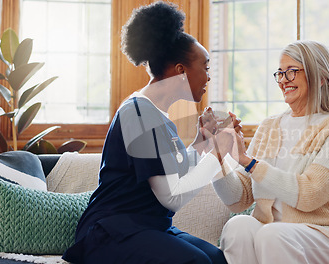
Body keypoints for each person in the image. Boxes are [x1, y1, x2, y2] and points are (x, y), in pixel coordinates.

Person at [62, 2, 233, 263]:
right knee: (197, 262)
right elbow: (171, 197)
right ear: (180, 71)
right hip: (112, 232)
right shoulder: (138, 113)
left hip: (148, 228)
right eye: (206, 67)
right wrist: (218, 153)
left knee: (215, 257)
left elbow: (172, 167)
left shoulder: (156, 114)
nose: (208, 77)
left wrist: (203, 142)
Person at [212, 40, 329, 264]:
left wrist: (248, 161)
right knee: (238, 226)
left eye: (292, 72)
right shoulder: (269, 126)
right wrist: (217, 155)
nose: (284, 81)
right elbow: (239, 200)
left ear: (322, 77)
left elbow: (310, 194)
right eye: (280, 73)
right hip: (278, 231)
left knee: (273, 234)